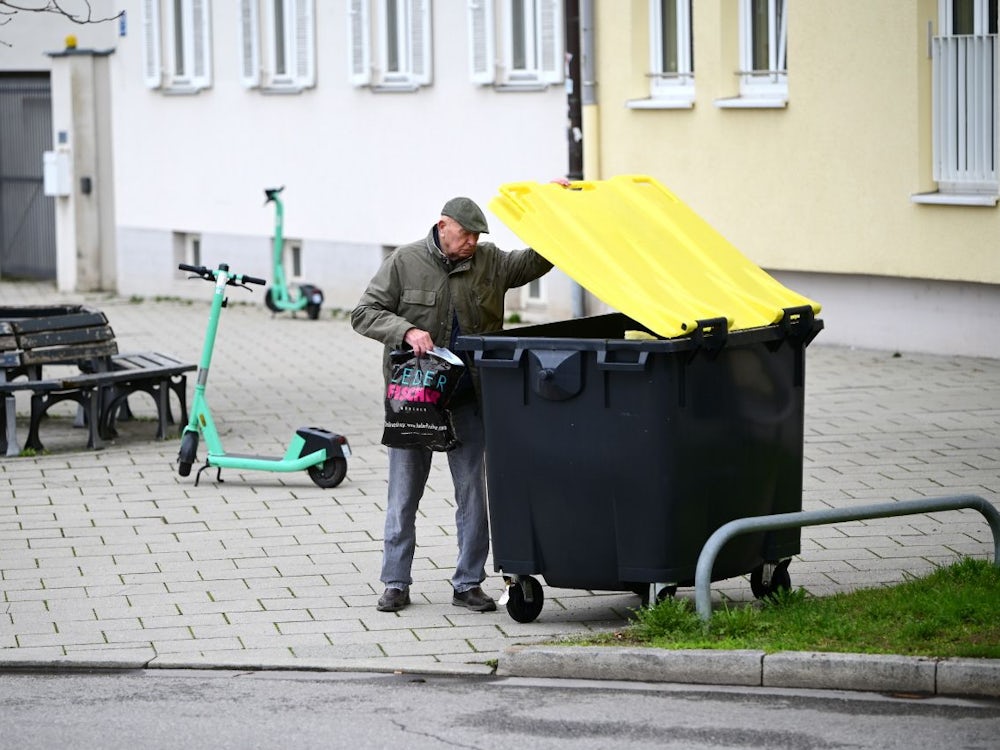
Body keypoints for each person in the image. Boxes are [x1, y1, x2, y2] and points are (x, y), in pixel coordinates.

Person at [351, 193, 555, 613]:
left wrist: (554, 208)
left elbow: (539, 259)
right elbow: (364, 313)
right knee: (403, 495)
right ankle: (395, 582)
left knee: (473, 495)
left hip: (469, 399)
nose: (472, 244)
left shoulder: (491, 262)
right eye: (465, 235)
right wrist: (406, 330)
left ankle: (468, 584)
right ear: (442, 226)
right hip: (415, 401)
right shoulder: (403, 262)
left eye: (478, 237)